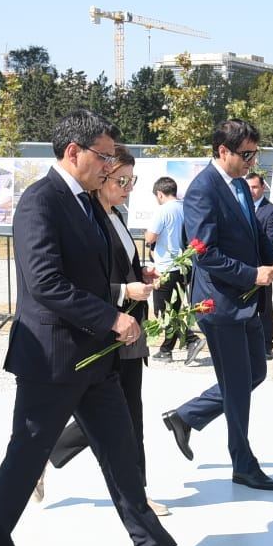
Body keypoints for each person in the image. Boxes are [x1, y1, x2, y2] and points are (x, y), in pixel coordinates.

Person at [0, 109, 212, 546]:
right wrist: (112, 315)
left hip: (95, 357)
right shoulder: (42, 202)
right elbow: (45, 284)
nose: (108, 166)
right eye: (102, 156)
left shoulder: (86, 202)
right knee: (25, 458)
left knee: (121, 452)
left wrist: (126, 285)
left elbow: (94, 272)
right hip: (53, 357)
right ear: (73, 151)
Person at [162, 120, 273, 491]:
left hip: (245, 300)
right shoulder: (203, 189)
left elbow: (253, 235)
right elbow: (206, 254)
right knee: (236, 384)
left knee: (254, 374)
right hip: (218, 304)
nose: (252, 162)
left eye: (255, 153)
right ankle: (243, 463)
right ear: (223, 151)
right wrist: (253, 274)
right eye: (246, 154)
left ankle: (185, 417)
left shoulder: (238, 185)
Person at [46, 147, 169, 517]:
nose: (128, 187)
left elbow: (119, 266)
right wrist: (121, 291)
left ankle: (45, 451)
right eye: (121, 180)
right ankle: (137, 495)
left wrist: (139, 276)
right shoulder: (89, 220)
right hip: (107, 327)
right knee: (122, 415)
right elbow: (80, 281)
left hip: (129, 327)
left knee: (123, 413)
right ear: (102, 178)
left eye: (133, 180)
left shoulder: (114, 215)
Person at [144, 176, 202, 364]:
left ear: (160, 194)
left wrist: (147, 235)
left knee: (163, 311)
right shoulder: (186, 208)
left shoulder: (162, 211)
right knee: (174, 309)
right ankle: (166, 349)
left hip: (166, 267)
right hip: (185, 266)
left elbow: (150, 237)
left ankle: (192, 340)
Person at [247, 171, 273, 358]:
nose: (251, 191)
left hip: (263, 266)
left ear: (262, 188)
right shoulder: (242, 207)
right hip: (246, 268)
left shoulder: (271, 211)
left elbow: (268, 240)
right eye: (249, 187)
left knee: (265, 306)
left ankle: (267, 343)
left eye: (255, 187)